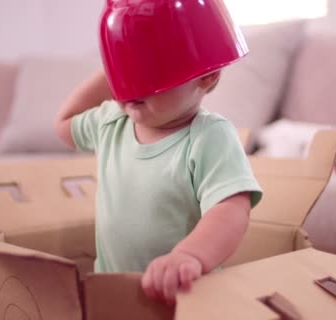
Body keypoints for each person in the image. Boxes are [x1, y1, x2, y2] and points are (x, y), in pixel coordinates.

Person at [54, 0, 262, 305]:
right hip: (113, 296)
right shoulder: (112, 121)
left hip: (185, 299)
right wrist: (118, 59)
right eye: (124, 73)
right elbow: (63, 125)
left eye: (148, 71)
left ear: (207, 76)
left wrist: (190, 256)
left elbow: (231, 208)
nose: (130, 89)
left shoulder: (209, 136)